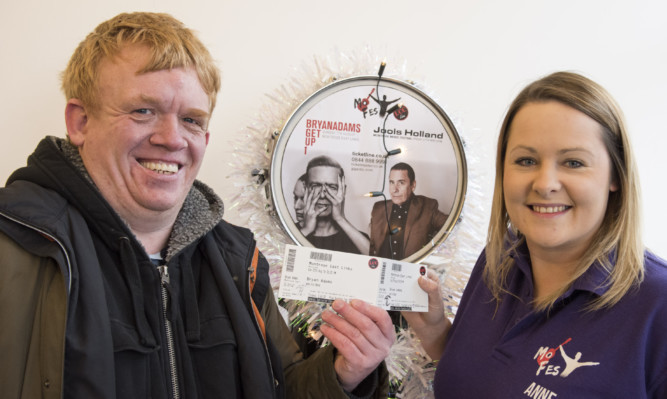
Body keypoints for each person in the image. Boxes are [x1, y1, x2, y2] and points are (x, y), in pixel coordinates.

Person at [0, 12, 395, 398]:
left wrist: (343, 374)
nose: (172, 139)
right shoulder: (14, 246)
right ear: (81, 122)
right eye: (143, 110)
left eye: (191, 119)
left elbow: (282, 384)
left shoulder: (240, 259)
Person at [402, 72, 667, 398]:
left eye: (573, 162)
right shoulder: (497, 262)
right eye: (526, 160)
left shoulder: (658, 305)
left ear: (616, 175)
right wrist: (436, 334)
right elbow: (490, 380)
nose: (544, 184)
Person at [369, 162, 449, 259]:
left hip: (412, 272)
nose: (394, 190)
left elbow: (453, 227)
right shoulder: (378, 208)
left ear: (413, 185)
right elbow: (372, 249)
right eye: (391, 182)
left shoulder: (427, 206)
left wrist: (436, 256)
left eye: (401, 183)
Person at [301, 155, 370, 254]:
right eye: (316, 185)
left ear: (343, 191)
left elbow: (377, 262)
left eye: (332, 187)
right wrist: (306, 230)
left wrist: (340, 219)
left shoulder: (358, 239)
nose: (323, 195)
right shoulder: (291, 229)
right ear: (305, 188)